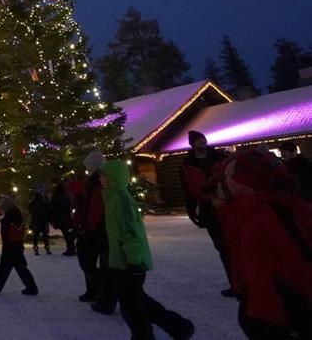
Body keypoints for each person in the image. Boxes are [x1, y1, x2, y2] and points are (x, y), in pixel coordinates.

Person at [215, 146, 312, 339]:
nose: (226, 182)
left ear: (247, 180)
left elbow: (295, 260)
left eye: (230, 176)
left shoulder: (267, 212)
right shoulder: (245, 210)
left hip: (280, 305)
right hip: (261, 297)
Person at [100, 159, 195, 340]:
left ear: (114, 178)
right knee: (139, 301)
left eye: (104, 176)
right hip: (121, 262)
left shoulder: (121, 200)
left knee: (133, 309)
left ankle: (146, 336)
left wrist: (133, 261)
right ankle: (178, 326)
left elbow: (130, 232)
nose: (101, 180)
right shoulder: (112, 198)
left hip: (128, 263)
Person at [180, 130, 232, 297]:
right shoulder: (187, 164)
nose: (202, 142)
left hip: (226, 205)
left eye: (203, 139)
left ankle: (246, 281)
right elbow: (187, 188)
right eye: (198, 140)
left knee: (234, 244)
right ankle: (235, 282)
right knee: (222, 247)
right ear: (193, 144)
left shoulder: (219, 157)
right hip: (207, 208)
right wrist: (191, 210)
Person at [76, 151, 117, 314]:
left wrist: (87, 225)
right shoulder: (93, 181)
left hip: (97, 228)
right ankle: (95, 291)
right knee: (92, 261)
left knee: (91, 262)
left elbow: (95, 208)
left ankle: (105, 295)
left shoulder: (98, 181)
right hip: (97, 227)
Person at [0, 196, 38, 296]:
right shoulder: (16, 213)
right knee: (18, 267)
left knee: (6, 267)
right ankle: (31, 287)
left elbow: (6, 229)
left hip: (10, 246)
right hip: (16, 245)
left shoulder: (10, 215)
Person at [50, 182, 76, 256]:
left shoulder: (55, 197)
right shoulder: (66, 196)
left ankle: (70, 249)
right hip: (67, 218)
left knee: (66, 234)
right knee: (69, 233)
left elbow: (53, 208)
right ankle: (71, 248)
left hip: (60, 218)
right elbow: (71, 205)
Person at [28, 184, 51, 255]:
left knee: (43, 235)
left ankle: (46, 248)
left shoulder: (44, 198)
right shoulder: (36, 199)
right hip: (38, 219)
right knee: (37, 234)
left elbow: (47, 207)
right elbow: (30, 208)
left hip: (42, 219)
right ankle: (37, 248)